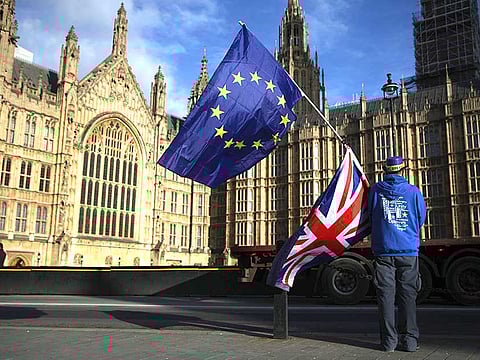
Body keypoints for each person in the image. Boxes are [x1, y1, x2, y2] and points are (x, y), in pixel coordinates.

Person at [367, 156, 426, 353]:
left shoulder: (375, 190)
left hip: (383, 250)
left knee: (385, 296)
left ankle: (388, 343)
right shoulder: (413, 191)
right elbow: (420, 218)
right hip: (408, 251)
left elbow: (370, 214)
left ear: (385, 170)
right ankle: (409, 341)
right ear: (403, 170)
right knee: (408, 296)